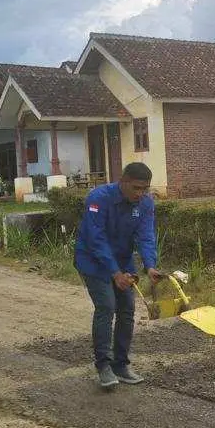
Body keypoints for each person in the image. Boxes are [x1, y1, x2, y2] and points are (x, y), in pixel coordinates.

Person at [75, 162, 163, 389]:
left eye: (144, 188)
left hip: (122, 260)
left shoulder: (145, 204)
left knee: (127, 310)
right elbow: (96, 239)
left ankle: (120, 364)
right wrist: (115, 273)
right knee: (106, 305)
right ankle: (103, 365)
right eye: (136, 188)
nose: (140, 193)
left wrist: (150, 265)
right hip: (93, 260)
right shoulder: (98, 198)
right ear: (123, 181)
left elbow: (145, 236)